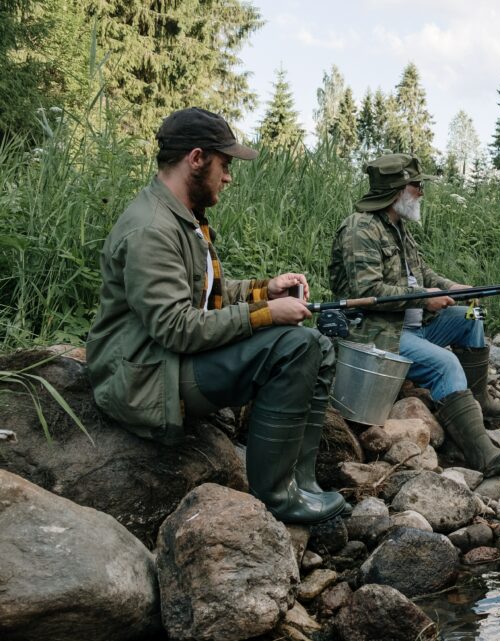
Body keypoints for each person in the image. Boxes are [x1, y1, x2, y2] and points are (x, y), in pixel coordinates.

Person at [87, 107, 347, 524]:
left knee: (318, 345)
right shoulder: (151, 229)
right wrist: (267, 313)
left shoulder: (183, 219)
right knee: (295, 347)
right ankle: (277, 498)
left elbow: (203, 296)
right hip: (148, 377)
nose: (228, 176)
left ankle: (303, 481)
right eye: (224, 164)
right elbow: (177, 328)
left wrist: (266, 289)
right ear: (196, 158)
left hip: (172, 360)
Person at [328, 153, 500, 478]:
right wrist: (421, 300)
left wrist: (455, 288)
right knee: (447, 364)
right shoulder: (360, 229)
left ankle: (478, 402)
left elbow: (424, 276)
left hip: (415, 329)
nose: (421, 192)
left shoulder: (398, 226)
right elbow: (366, 291)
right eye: (417, 185)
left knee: (472, 316)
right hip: (379, 335)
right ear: (398, 188)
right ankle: (481, 453)